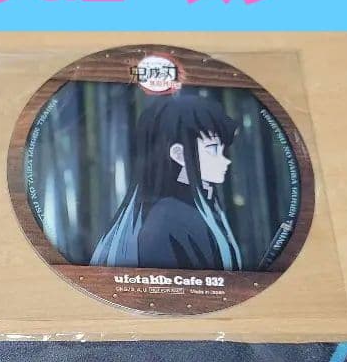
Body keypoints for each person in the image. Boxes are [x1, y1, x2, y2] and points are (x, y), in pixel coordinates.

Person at [90, 94, 244, 271]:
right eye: (213, 149)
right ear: (178, 154)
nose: (226, 160)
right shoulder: (170, 220)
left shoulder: (191, 210)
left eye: (223, 150)